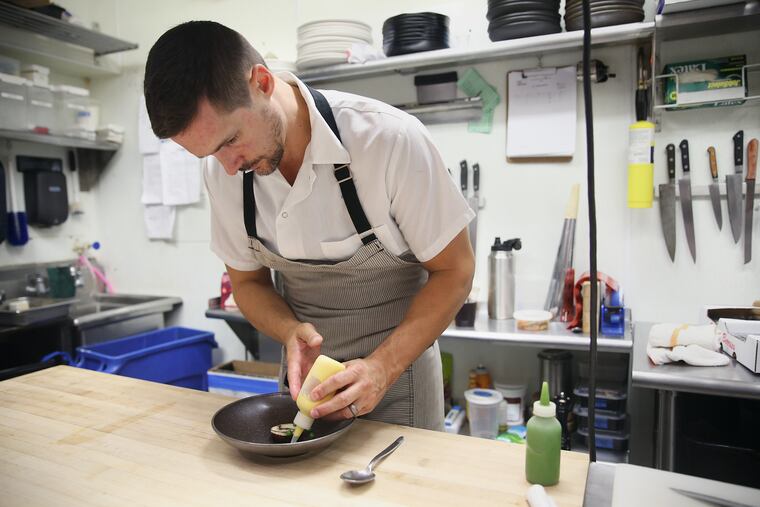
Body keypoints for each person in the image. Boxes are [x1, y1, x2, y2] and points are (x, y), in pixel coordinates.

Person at [144, 21, 474, 430]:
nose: (227, 167)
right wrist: (288, 330)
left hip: (397, 383)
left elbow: (455, 271)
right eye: (209, 155)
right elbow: (249, 285)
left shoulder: (388, 141)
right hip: (304, 392)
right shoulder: (226, 172)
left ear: (261, 82)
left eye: (229, 141)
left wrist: (381, 369)